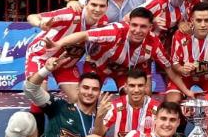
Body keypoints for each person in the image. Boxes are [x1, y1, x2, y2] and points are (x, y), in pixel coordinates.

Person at [49, 7, 193, 96]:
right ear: (128, 23)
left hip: (124, 71)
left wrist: (186, 91)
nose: (137, 30)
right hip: (97, 66)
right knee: (88, 97)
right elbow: (84, 35)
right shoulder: (115, 31)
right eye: (134, 25)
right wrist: (58, 44)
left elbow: (169, 68)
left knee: (137, 97)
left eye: (143, 27)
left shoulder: (154, 43)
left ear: (150, 27)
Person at [25, 0, 109, 103]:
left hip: (67, 63)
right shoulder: (71, 14)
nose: (97, 9)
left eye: (102, 6)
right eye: (93, 5)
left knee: (79, 100)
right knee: (40, 100)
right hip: (41, 57)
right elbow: (32, 16)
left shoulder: (104, 22)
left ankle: (65, 119)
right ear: (86, 4)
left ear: (107, 7)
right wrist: (40, 23)